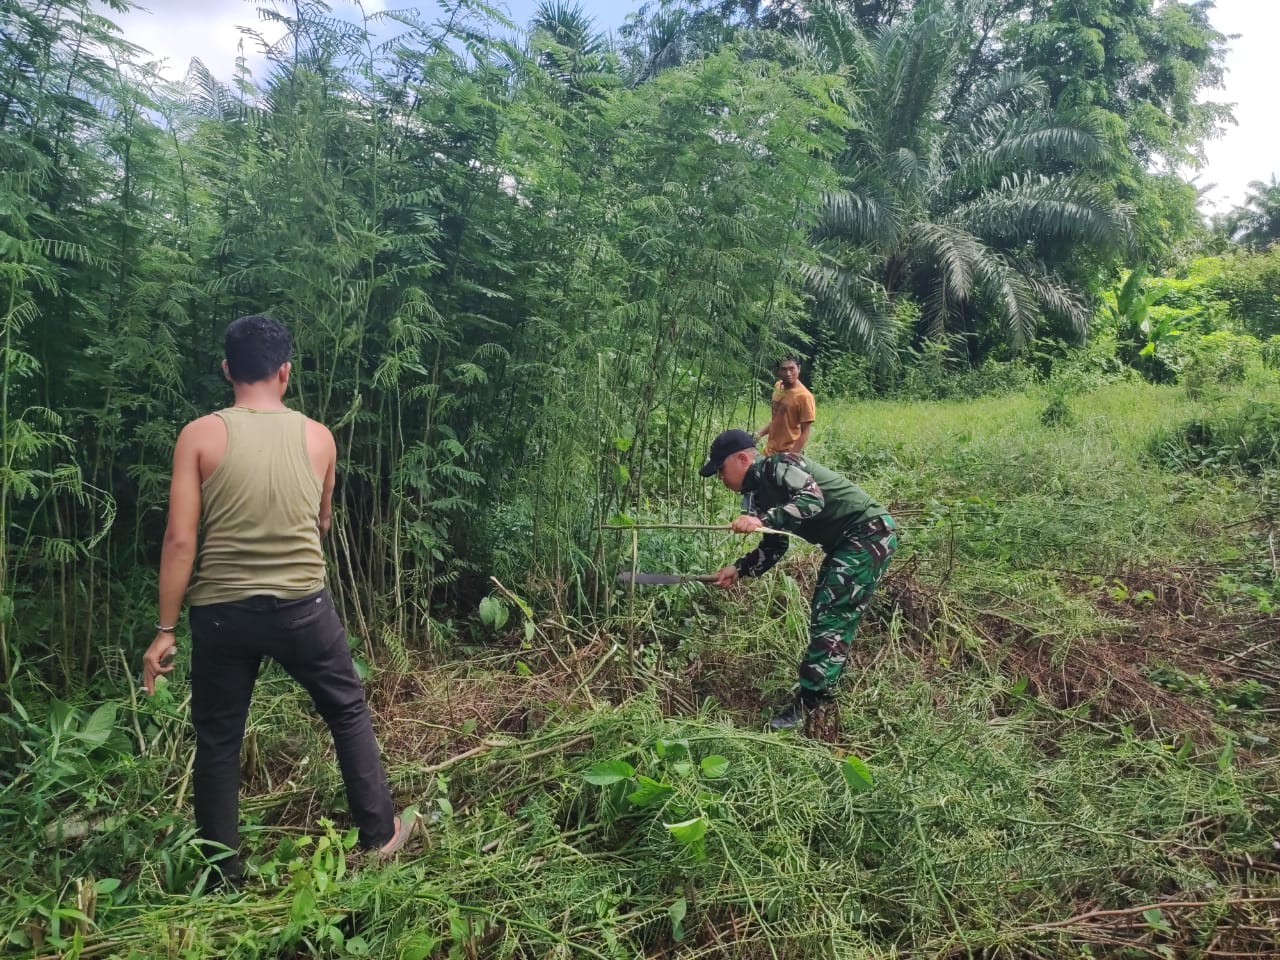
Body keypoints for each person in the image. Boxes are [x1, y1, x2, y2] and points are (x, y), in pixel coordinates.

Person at [141, 314, 414, 885]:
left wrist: (165, 630)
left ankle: (222, 876)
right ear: (285, 371)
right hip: (302, 609)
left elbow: (180, 539)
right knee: (346, 710)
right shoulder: (320, 437)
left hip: (221, 615)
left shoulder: (199, 436)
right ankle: (378, 835)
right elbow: (321, 522)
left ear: (227, 370)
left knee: (219, 736)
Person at [700, 429, 896, 730]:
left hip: (868, 532)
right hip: (848, 542)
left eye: (721, 470)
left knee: (831, 615)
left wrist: (761, 521)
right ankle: (825, 686)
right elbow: (775, 545)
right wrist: (739, 569)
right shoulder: (757, 495)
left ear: (742, 459)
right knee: (828, 612)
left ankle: (810, 704)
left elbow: (812, 499)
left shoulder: (779, 465)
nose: (721, 479)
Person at [757, 356, 815, 456]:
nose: (788, 373)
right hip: (769, 450)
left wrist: (790, 455)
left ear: (799, 368)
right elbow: (776, 419)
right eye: (784, 369)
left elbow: (805, 432)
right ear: (778, 371)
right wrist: (758, 435)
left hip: (787, 452)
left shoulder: (804, 396)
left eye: (792, 368)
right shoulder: (778, 386)